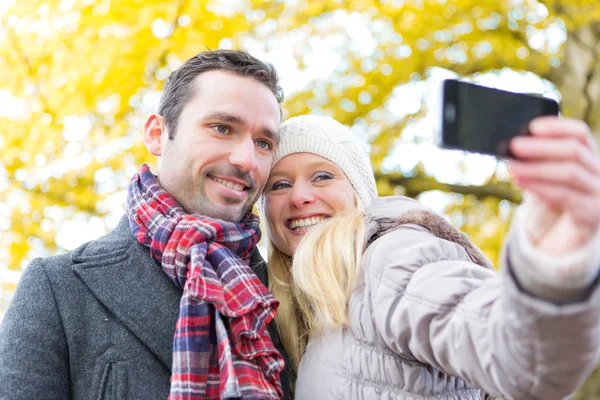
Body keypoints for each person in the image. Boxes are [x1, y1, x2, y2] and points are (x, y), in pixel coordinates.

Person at [0, 50, 293, 399]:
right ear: (157, 135)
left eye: (263, 142)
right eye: (222, 128)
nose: (247, 160)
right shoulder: (58, 287)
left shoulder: (285, 291)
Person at [261, 114, 600, 399]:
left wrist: (553, 271)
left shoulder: (389, 258)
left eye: (322, 176)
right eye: (279, 185)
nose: (300, 196)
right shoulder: (284, 310)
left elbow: (521, 355)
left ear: (358, 193)